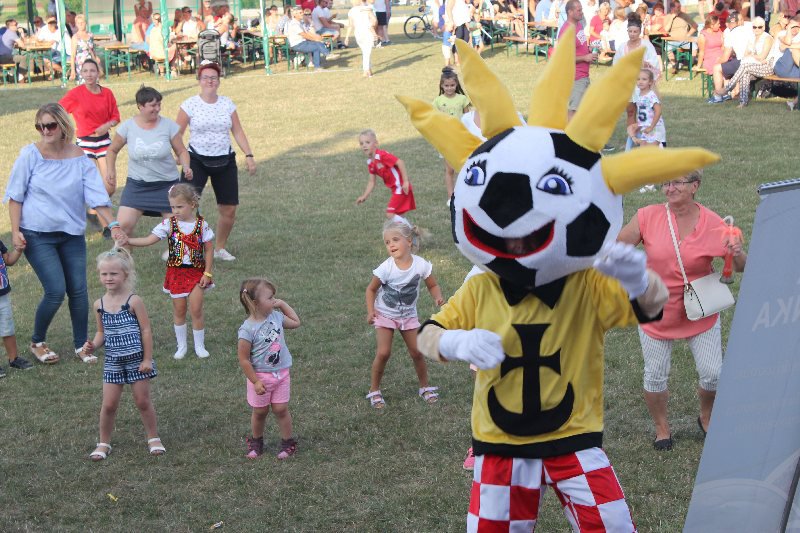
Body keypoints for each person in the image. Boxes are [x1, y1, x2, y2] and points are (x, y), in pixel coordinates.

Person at [618, 170, 746, 450]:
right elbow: (618, 247)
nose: (669, 188)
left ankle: (706, 416)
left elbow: (740, 267)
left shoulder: (714, 223)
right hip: (655, 307)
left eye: (676, 182)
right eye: (665, 183)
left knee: (713, 374)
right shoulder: (647, 216)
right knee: (655, 375)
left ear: (694, 186)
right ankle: (661, 427)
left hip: (700, 308)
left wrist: (736, 251)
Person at [3, 103, 125, 365]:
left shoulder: (79, 157)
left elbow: (97, 196)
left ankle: (82, 345)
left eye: (50, 125)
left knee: (78, 290)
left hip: (71, 234)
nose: (45, 131)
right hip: (36, 234)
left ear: (62, 126)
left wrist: (113, 225)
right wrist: (15, 232)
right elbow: (15, 196)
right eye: (40, 126)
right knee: (56, 290)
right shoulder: (30, 155)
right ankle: (37, 342)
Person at [84, 247, 164, 461]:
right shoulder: (99, 304)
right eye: (104, 274)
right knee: (109, 404)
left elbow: (145, 330)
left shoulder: (133, 301)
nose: (108, 278)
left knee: (142, 401)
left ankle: (153, 437)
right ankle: (103, 442)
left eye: (113, 273)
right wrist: (93, 346)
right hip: (113, 361)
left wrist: (147, 359)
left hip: (137, 360)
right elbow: (101, 332)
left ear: (125, 275)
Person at [176, 61, 256, 262]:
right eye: (206, 77)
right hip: (196, 159)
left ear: (219, 81)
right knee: (184, 205)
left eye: (214, 77)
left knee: (229, 208)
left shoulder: (227, 104)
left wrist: (248, 155)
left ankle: (219, 248)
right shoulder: (189, 105)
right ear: (199, 80)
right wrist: (181, 156)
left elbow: (237, 131)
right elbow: (176, 134)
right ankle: (184, 248)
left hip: (225, 160)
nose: (210, 81)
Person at [127, 184, 214, 360]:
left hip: (197, 274)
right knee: (179, 310)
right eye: (172, 207)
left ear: (192, 204)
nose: (175, 211)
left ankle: (199, 346)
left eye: (179, 206)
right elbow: (149, 240)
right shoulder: (169, 224)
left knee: (196, 309)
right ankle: (181, 346)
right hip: (176, 274)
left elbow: (209, 249)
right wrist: (128, 240)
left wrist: (207, 273)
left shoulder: (201, 225)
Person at [365, 219, 445, 409]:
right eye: (387, 242)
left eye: (395, 240)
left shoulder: (421, 265)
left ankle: (424, 387)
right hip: (385, 315)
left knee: (417, 352)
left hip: (408, 316)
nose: (391, 245)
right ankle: (374, 390)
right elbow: (371, 289)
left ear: (409, 241)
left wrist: (437, 297)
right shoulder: (386, 268)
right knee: (383, 352)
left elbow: (432, 285)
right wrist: (371, 311)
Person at [107, 86, 193, 246]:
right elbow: (112, 150)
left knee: (178, 232)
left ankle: (178, 258)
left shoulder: (168, 126)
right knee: (122, 228)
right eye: (153, 105)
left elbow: (181, 151)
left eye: (159, 104)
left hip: (167, 186)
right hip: (137, 186)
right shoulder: (128, 127)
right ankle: (124, 260)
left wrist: (186, 166)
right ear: (140, 106)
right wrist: (111, 171)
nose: (157, 108)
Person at [238, 278, 301, 459]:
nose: (274, 300)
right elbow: (244, 359)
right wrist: (255, 382)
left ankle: (288, 442)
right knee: (260, 412)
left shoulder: (277, 317)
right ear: (255, 303)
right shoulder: (247, 329)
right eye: (270, 298)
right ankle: (256, 442)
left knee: (281, 409)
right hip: (260, 378)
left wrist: (283, 304)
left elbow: (296, 322)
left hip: (281, 375)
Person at [59, 59, 119, 196]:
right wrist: (66, 130)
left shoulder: (107, 93)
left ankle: (99, 206)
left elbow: (116, 117)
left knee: (110, 186)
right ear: (81, 73)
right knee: (91, 184)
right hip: (85, 143)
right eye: (85, 71)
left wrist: (107, 125)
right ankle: (95, 208)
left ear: (98, 73)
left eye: (92, 71)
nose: (89, 74)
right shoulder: (75, 94)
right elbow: (58, 111)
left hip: (104, 142)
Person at [713, 16, 776, 107]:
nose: (757, 29)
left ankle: (728, 88)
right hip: (755, 65)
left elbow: (762, 57)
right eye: (754, 27)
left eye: (759, 27)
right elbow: (745, 54)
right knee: (745, 73)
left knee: (745, 67)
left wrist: (752, 55)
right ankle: (743, 102)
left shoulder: (767, 38)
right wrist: (754, 56)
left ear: (764, 27)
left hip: (768, 67)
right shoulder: (752, 38)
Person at [355, 129, 416, 220]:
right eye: (361, 143)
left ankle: (410, 228)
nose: (364, 145)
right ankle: (409, 228)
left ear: (376, 143)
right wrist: (364, 196)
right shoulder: (370, 162)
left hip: (400, 187)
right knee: (397, 216)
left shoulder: (382, 155)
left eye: (367, 142)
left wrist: (405, 182)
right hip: (395, 189)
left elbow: (400, 162)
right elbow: (371, 182)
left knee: (390, 214)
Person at [433, 67, 470, 202]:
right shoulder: (437, 101)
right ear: (442, 86)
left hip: (460, 139)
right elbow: (434, 118)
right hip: (446, 140)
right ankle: (451, 197)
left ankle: (465, 195)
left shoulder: (463, 99)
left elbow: (468, 118)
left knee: (464, 168)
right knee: (450, 170)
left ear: (456, 84)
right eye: (447, 86)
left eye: (452, 85)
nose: (449, 88)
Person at [0, 236, 33, 377]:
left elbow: (8, 260)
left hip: (3, 294)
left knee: (8, 328)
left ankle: (14, 359)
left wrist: (18, 250)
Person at [559, 0, 597, 120]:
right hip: (575, 77)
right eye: (579, 10)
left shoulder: (578, 25)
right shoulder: (566, 31)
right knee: (573, 111)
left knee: (584, 110)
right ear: (570, 12)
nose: (582, 12)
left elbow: (578, 46)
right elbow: (564, 57)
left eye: (581, 9)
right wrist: (585, 57)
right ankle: (569, 133)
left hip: (583, 75)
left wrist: (588, 49)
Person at [708, 11, 752, 103]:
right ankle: (729, 93)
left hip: (743, 62)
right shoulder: (749, 28)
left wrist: (717, 62)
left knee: (717, 68)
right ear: (738, 22)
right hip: (754, 60)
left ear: (728, 24)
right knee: (727, 66)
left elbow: (725, 57)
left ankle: (718, 96)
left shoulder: (730, 34)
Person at [614, 14, 662, 79]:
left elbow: (654, 62)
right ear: (627, 32)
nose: (632, 34)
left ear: (640, 32)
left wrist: (645, 64)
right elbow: (616, 63)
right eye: (630, 31)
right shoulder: (622, 46)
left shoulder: (646, 45)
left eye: (635, 32)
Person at [631, 69, 666, 147]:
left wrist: (651, 126)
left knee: (652, 151)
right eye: (638, 79)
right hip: (646, 127)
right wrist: (639, 124)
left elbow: (658, 111)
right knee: (643, 150)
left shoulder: (651, 96)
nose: (640, 81)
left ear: (650, 82)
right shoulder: (638, 95)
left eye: (644, 79)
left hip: (655, 127)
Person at [664, 0, 698, 74]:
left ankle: (690, 65)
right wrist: (672, 18)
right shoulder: (667, 16)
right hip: (672, 40)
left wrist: (688, 34)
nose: (680, 8)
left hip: (684, 40)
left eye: (680, 6)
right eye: (678, 7)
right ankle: (674, 65)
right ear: (672, 8)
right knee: (667, 47)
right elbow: (666, 30)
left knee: (694, 47)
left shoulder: (684, 15)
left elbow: (695, 26)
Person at [348, 0, 378, 77]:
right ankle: (366, 71)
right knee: (367, 52)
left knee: (365, 52)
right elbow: (374, 21)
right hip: (367, 32)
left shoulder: (351, 11)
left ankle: (369, 70)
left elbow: (351, 25)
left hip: (357, 33)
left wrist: (347, 37)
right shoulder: (368, 9)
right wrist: (373, 29)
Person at [69, 15, 101, 83]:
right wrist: (73, 70)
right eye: (78, 23)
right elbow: (73, 55)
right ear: (76, 24)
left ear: (85, 23)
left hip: (92, 63)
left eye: (82, 22)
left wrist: (96, 57)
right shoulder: (75, 37)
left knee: (94, 83)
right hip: (81, 65)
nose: (80, 24)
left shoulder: (90, 35)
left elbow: (93, 49)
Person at [148, 12, 178, 78]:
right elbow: (166, 41)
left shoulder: (152, 30)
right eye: (158, 19)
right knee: (175, 47)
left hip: (153, 54)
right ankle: (173, 69)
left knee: (165, 49)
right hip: (161, 54)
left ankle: (162, 72)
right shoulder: (162, 30)